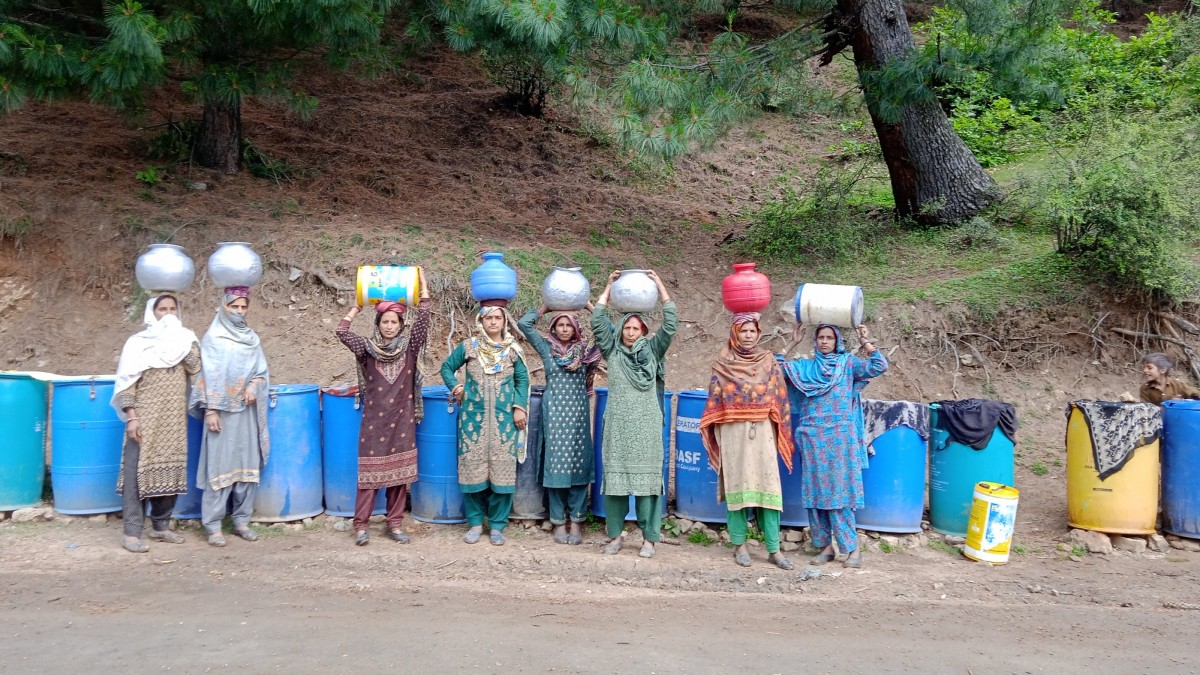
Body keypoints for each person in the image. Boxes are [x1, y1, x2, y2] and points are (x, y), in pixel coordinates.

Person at [779, 322, 887, 569]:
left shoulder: (847, 364)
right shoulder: (805, 368)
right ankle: (826, 548)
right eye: (820, 338)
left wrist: (865, 342)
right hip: (812, 438)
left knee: (839, 495)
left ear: (837, 341)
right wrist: (791, 343)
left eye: (829, 338)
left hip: (840, 439)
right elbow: (774, 371)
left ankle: (852, 550)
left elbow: (879, 366)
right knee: (815, 495)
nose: (825, 342)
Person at [336, 269, 431, 546]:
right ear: (378, 323)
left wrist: (423, 287)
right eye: (385, 321)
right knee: (369, 475)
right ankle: (361, 525)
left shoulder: (410, 347)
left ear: (401, 324)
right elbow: (341, 331)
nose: (389, 326)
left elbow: (424, 320)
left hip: (402, 418)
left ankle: (395, 523)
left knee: (398, 476)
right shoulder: (366, 348)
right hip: (374, 420)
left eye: (394, 321)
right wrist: (356, 306)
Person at [590, 270, 676, 558]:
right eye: (626, 329)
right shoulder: (612, 352)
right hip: (618, 426)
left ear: (643, 332)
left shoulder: (654, 351)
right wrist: (609, 285)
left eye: (635, 329)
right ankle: (614, 537)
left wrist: (659, 284)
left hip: (647, 427)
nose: (629, 333)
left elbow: (671, 323)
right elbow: (597, 318)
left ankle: (649, 539)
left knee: (648, 488)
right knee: (615, 486)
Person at [699, 313, 795, 570]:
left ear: (759, 333)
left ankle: (774, 549)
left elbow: (779, 398)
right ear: (735, 334)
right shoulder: (723, 364)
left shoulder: (769, 362)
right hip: (733, 432)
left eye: (752, 331)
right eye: (744, 331)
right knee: (737, 487)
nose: (749, 335)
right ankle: (739, 545)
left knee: (769, 488)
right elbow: (715, 400)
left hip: (763, 432)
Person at [111, 294, 202, 553]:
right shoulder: (138, 344)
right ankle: (131, 532)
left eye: (173, 309)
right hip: (143, 420)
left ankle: (161, 526)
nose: (168, 313)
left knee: (169, 469)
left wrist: (179, 339)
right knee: (135, 474)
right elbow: (127, 384)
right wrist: (131, 416)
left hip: (173, 421)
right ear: (153, 312)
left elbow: (195, 367)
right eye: (163, 309)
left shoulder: (186, 339)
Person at [440, 303, 530, 546]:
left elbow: (522, 380)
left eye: (498, 318)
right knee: (472, 472)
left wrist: (519, 408)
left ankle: (498, 526)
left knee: (503, 473)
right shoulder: (470, 347)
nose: (493, 322)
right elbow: (447, 368)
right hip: (472, 422)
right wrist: (457, 387)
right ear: (481, 321)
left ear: (504, 321)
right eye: (488, 318)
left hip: (504, 423)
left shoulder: (512, 350)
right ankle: (476, 523)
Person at [190, 286, 270, 547]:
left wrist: (252, 386)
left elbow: (261, 372)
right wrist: (211, 409)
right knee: (220, 465)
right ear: (224, 306)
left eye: (243, 307)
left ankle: (241, 521)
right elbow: (206, 376)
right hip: (221, 414)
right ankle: (213, 526)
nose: (238, 311)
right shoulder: (213, 338)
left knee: (247, 465)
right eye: (233, 306)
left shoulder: (251, 338)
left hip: (246, 412)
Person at [517, 304, 600, 545]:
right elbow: (524, 324)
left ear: (576, 329)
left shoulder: (585, 351)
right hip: (553, 416)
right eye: (560, 325)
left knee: (578, 468)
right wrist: (545, 307)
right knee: (556, 469)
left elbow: (610, 333)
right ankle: (557, 522)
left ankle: (576, 521)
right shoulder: (547, 349)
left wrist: (590, 306)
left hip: (578, 417)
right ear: (553, 328)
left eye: (569, 325)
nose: (564, 329)